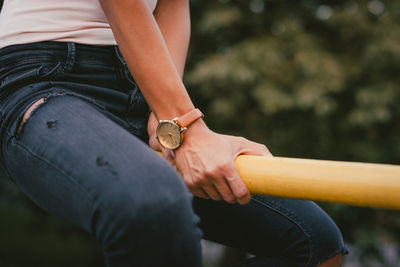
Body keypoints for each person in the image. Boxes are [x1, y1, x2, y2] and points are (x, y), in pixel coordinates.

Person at [0, 0, 347, 266]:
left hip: (144, 82)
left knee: (315, 245)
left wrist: (161, 117)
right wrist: (187, 126)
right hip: (47, 73)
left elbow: (173, 4)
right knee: (152, 204)